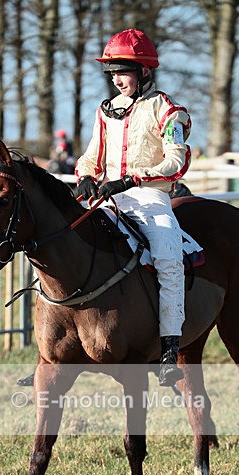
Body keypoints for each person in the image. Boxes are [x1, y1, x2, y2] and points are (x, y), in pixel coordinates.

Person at [75, 28, 191, 386]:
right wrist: (83, 175)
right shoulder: (104, 111)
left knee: (169, 261)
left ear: (144, 72)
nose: (116, 79)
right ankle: (53, 348)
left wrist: (133, 179)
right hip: (107, 199)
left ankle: (169, 349)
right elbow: (91, 156)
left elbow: (177, 162)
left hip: (151, 198)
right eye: (112, 73)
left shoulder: (169, 111)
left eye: (123, 71)